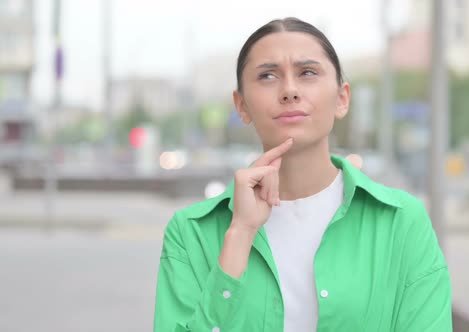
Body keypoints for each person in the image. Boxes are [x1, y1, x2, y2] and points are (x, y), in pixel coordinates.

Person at [154, 17, 452, 332]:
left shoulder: (402, 222)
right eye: (268, 75)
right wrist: (240, 233)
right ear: (241, 105)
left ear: (342, 98)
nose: (290, 90)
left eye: (307, 72)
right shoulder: (190, 234)